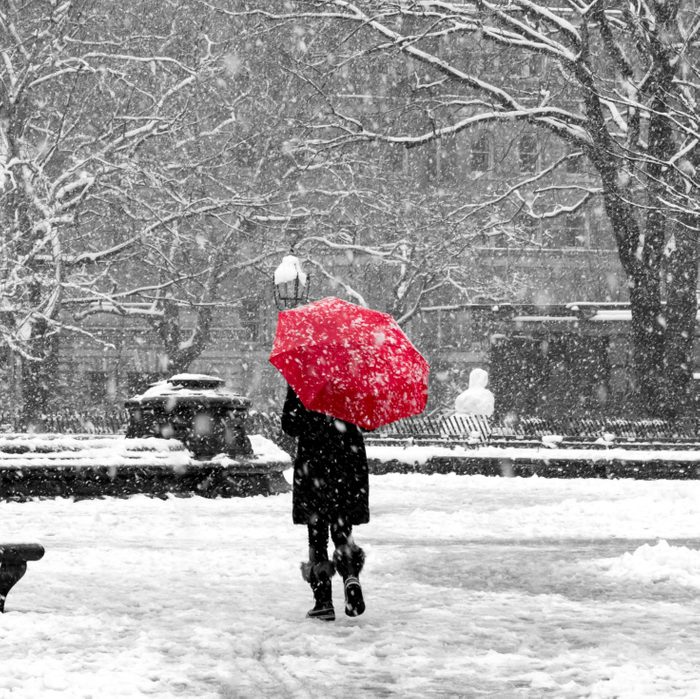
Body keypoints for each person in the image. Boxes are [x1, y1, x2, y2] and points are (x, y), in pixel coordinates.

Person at [281, 384, 369, 621]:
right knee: (342, 528)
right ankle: (351, 578)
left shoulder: (305, 378)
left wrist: (310, 418)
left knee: (317, 533)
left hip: (314, 464)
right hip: (347, 464)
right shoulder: (352, 376)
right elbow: (369, 421)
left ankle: (323, 602)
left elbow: (290, 425)